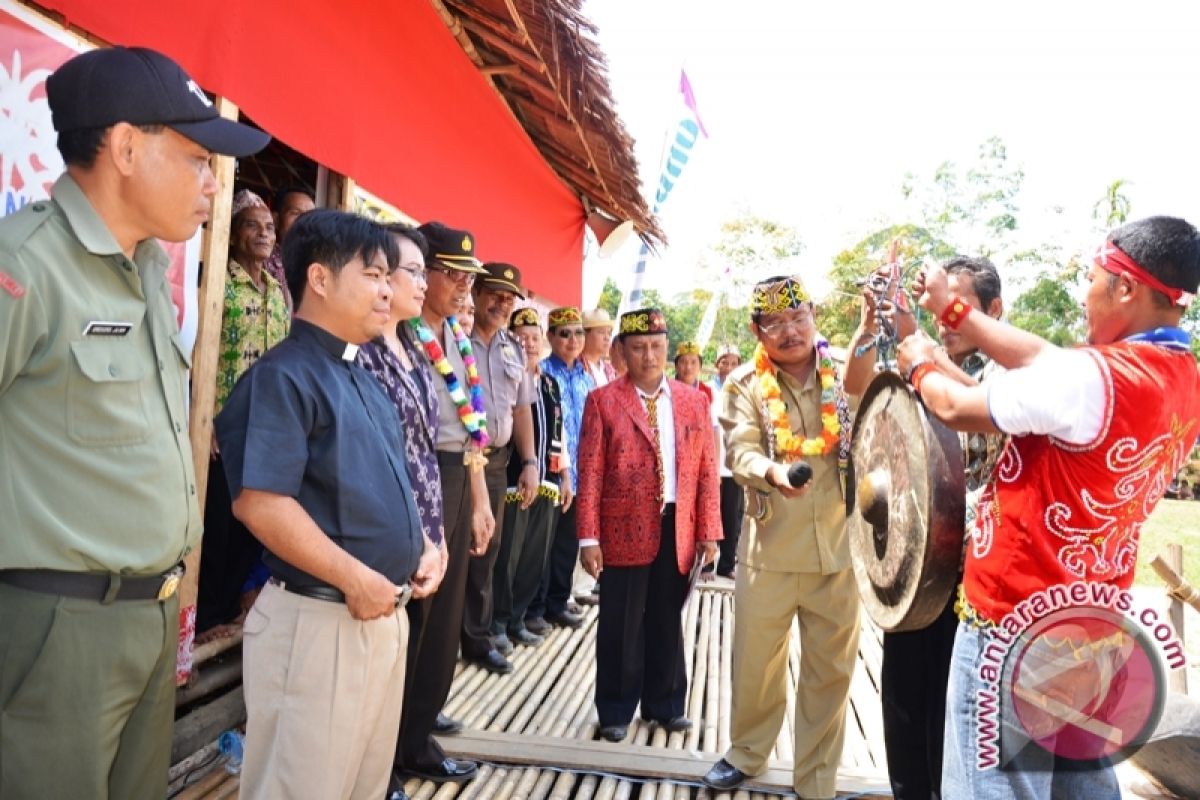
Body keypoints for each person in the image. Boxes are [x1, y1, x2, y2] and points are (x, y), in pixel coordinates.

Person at [0, 46, 267, 799]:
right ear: (123, 148)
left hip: (149, 623)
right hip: (58, 633)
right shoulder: (27, 267)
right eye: (194, 156)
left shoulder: (147, 272)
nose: (213, 181)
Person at [895, 217, 1200, 799]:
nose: (1084, 293)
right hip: (1091, 627)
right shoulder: (1182, 375)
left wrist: (918, 360)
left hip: (1013, 628)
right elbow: (1045, 359)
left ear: (1126, 289)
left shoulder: (1095, 379)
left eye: (1092, 278)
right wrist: (958, 316)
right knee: (1078, 786)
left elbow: (956, 407)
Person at [217, 210, 438, 800]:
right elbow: (261, 504)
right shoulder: (282, 377)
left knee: (361, 786)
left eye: (391, 277)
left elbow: (385, 484)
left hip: (377, 617)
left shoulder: (360, 375)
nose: (388, 290)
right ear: (318, 279)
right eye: (373, 275)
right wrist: (354, 576)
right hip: (321, 623)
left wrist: (425, 546)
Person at [844, 255, 1007, 800]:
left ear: (993, 312)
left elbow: (979, 423)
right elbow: (857, 387)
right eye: (938, 307)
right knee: (907, 704)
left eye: (956, 305)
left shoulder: (1008, 376)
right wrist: (873, 327)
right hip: (912, 569)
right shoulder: (917, 371)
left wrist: (925, 356)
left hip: (974, 582)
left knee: (959, 719)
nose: (944, 317)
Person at [704, 275, 860, 800]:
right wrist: (774, 473)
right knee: (755, 665)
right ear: (757, 329)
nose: (790, 331)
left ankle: (815, 780)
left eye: (798, 318)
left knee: (830, 673)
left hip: (839, 553)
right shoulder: (745, 383)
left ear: (814, 315)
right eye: (775, 323)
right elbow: (740, 450)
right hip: (769, 550)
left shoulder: (845, 371)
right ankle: (746, 754)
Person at [576, 307, 721, 742]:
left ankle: (666, 704)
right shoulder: (603, 401)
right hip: (621, 528)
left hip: (677, 521)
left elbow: (707, 470)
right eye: (638, 347)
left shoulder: (694, 401)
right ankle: (616, 709)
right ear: (621, 350)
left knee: (665, 616)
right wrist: (588, 536)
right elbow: (591, 472)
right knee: (620, 620)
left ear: (667, 348)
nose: (649, 355)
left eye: (657, 346)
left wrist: (709, 529)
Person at [391, 221, 491, 786]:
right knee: (414, 616)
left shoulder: (456, 335)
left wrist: (479, 500)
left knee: (446, 617)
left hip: (458, 474)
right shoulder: (401, 335)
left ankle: (418, 737)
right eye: (451, 274)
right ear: (422, 272)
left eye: (467, 276)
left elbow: (472, 430)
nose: (461, 286)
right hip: (417, 478)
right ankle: (386, 751)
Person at [196, 189, 289, 642]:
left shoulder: (276, 292)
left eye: (270, 227)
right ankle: (207, 616)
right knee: (218, 524)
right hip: (223, 428)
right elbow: (200, 351)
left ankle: (232, 605)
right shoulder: (220, 282)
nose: (263, 233)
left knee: (252, 524)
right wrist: (208, 417)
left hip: (266, 428)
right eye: (253, 225)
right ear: (233, 236)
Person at [462, 262, 540, 671]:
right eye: (495, 294)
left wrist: (529, 461)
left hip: (495, 463)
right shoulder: (455, 340)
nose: (501, 304)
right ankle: (442, 641)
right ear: (475, 293)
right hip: (455, 459)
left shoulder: (513, 349)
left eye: (509, 299)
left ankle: (476, 638)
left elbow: (522, 408)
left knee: (486, 548)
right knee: (450, 546)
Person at [492, 307, 572, 646]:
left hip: (549, 482)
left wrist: (566, 475)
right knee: (507, 556)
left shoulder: (551, 382)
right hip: (514, 480)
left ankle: (518, 618)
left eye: (534, 338)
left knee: (533, 558)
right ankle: (496, 623)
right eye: (522, 338)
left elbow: (561, 431)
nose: (529, 344)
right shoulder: (507, 376)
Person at [528, 306, 595, 632]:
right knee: (544, 544)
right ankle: (535, 608)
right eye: (564, 333)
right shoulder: (542, 373)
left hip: (583, 473)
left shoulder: (586, 375)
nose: (572, 340)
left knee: (568, 543)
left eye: (578, 332)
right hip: (552, 472)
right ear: (551, 337)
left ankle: (558, 602)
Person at [711, 344, 744, 578]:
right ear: (716, 365)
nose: (729, 367)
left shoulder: (745, 390)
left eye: (734, 363)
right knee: (709, 512)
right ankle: (704, 563)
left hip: (733, 463)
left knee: (732, 516)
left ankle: (726, 563)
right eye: (725, 362)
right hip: (712, 462)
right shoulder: (708, 390)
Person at [262, 184, 316, 312]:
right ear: (275, 219)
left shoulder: (316, 265)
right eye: (295, 213)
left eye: (310, 216)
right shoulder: (262, 260)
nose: (303, 221)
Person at [581, 307, 617, 387]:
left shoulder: (609, 369)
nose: (607, 338)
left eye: (609, 333)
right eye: (601, 332)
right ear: (585, 334)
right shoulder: (576, 367)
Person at [673, 340, 714, 405]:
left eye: (693, 362)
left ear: (700, 366)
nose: (688, 367)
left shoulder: (707, 392)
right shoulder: (667, 389)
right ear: (676, 366)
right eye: (683, 362)